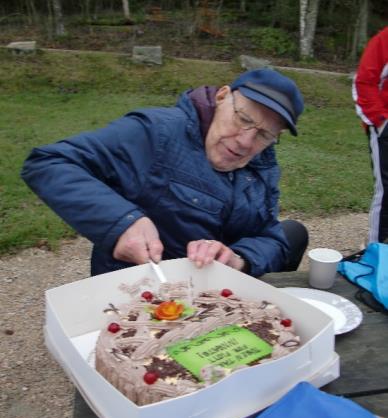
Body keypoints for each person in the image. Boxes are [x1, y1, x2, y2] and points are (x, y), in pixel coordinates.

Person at [21, 68, 308, 277]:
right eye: (243, 119)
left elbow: (271, 238)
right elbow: (49, 162)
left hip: (217, 295)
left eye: (264, 135)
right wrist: (123, 222)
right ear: (222, 97)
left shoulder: (263, 165)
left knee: (294, 233)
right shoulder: (155, 132)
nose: (246, 141)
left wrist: (240, 259)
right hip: (145, 291)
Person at [353, 26, 388, 244]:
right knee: (387, 189)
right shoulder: (384, 39)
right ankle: (377, 253)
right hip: (384, 124)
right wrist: (381, 121)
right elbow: (364, 82)